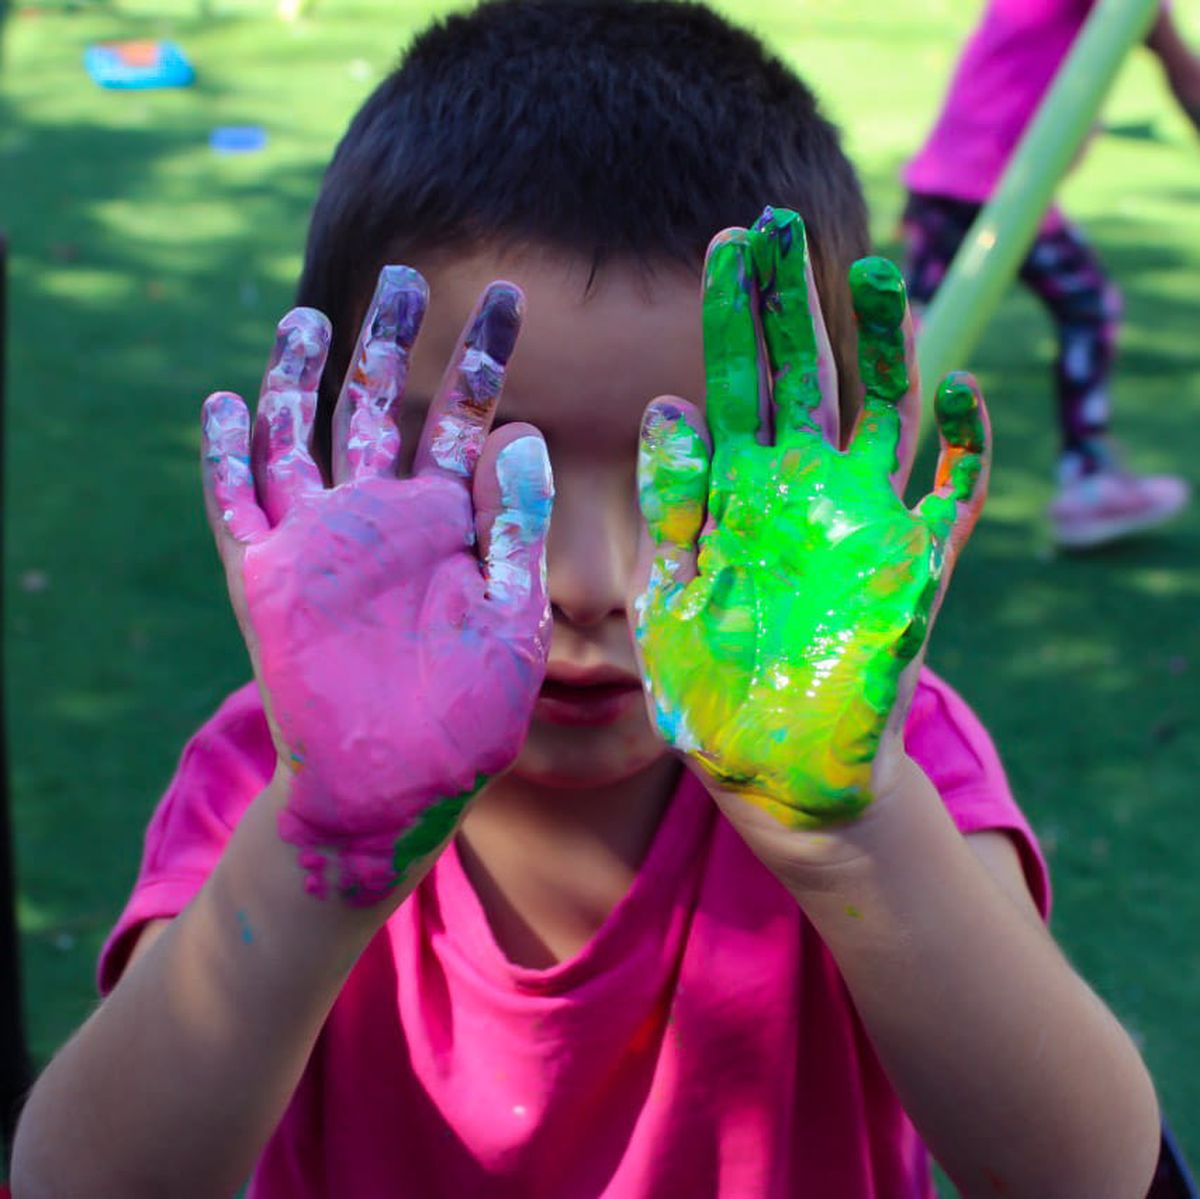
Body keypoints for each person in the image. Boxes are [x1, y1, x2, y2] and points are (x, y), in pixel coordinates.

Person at [12, 2, 1160, 1196]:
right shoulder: (283, 767)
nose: (594, 582)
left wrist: (854, 836)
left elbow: (1091, 1173)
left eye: (698, 481)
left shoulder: (875, 754)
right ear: (340, 447)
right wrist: (327, 843)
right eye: (486, 471)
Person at [902, 0, 1200, 550]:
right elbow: (1186, 77)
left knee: (910, 337)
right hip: (998, 185)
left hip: (952, 174)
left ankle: (812, 456)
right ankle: (1089, 478)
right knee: (1088, 305)